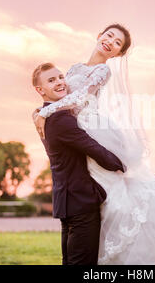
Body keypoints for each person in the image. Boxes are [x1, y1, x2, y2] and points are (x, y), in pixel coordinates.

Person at [33, 24, 155, 264]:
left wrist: (45, 113)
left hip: (88, 125)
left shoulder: (103, 71)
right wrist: (41, 111)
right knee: (86, 180)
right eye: (109, 35)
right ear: (99, 35)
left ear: (118, 54)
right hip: (72, 126)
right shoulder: (75, 68)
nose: (111, 41)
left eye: (117, 43)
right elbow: (57, 92)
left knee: (113, 183)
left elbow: (78, 98)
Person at [32, 62, 125, 265]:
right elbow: (94, 149)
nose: (59, 82)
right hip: (81, 203)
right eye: (51, 80)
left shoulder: (44, 116)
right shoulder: (60, 120)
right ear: (40, 90)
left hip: (67, 203)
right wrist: (123, 165)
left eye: (60, 77)